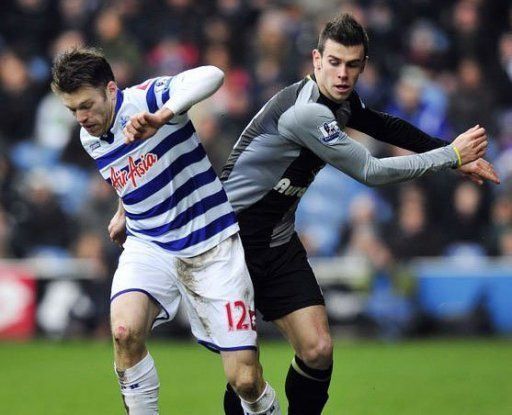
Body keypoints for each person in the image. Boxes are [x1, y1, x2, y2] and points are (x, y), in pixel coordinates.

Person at [219, 14, 499, 415]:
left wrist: (452, 158)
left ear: (363, 66)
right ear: (316, 60)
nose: (342, 73)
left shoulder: (342, 102)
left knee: (318, 349)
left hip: (277, 242)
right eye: (334, 62)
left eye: (352, 65)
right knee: (245, 376)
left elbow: (385, 125)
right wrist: (449, 155)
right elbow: (371, 171)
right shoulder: (306, 114)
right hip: (230, 246)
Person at [51, 47, 281, 415]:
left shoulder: (149, 98)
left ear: (111, 90)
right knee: (125, 333)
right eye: (71, 109)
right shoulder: (89, 137)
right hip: (149, 245)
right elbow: (132, 173)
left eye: (86, 105)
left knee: (246, 381)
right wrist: (123, 209)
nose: (81, 117)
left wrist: (162, 117)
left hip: (211, 243)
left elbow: (213, 75)